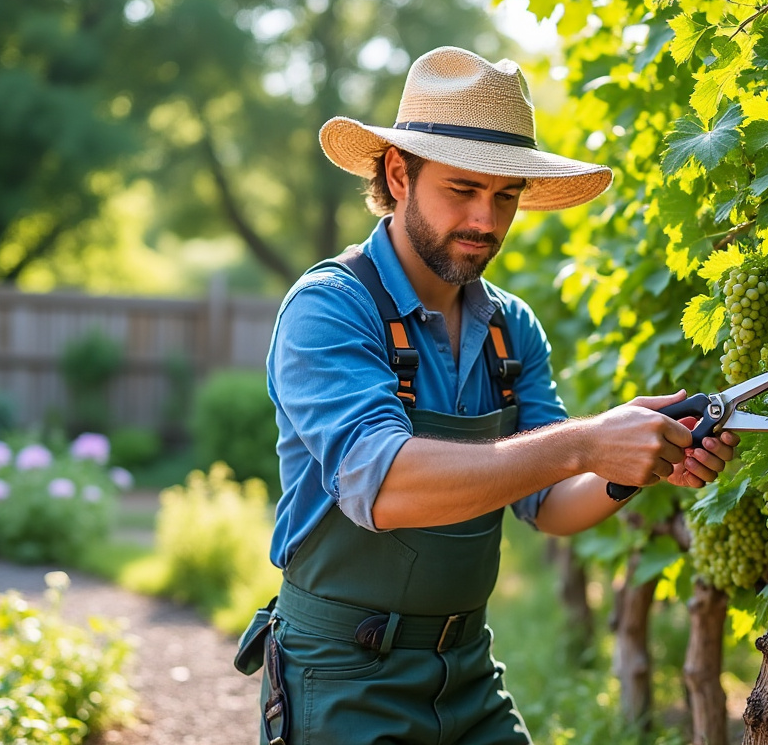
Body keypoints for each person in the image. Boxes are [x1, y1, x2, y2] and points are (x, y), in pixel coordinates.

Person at [237, 46, 740, 745]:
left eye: (506, 197)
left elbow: (551, 506)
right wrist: (587, 441)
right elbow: (385, 488)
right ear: (397, 173)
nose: (486, 220)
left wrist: (633, 464)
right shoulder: (330, 308)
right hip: (343, 672)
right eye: (463, 189)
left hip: (468, 670)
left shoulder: (511, 329)